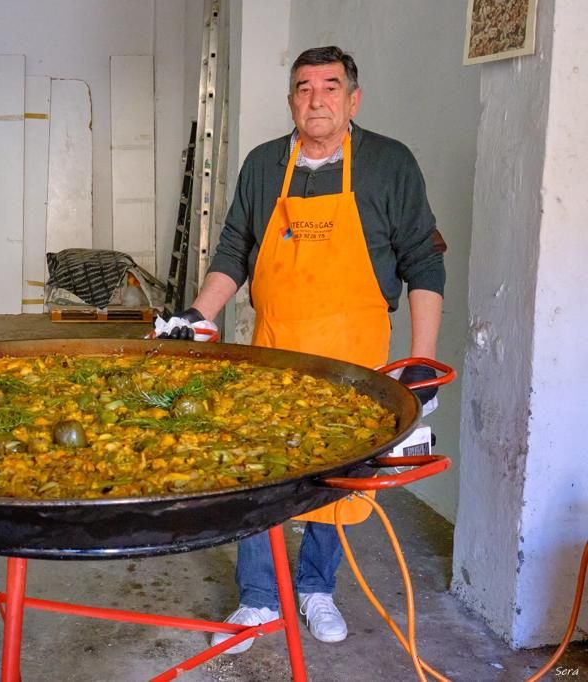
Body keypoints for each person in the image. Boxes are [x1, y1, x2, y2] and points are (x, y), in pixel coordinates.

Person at [161, 46, 445, 652]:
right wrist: (197, 315)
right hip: (274, 354)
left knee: (341, 480)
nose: (316, 99)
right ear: (291, 99)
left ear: (353, 98)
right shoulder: (266, 164)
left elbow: (424, 261)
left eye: (330, 87)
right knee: (258, 478)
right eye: (304, 88)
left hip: (355, 360)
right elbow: (235, 249)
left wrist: (422, 364)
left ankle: (316, 587)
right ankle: (258, 600)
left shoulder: (389, 164)